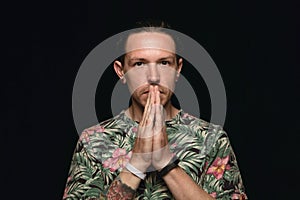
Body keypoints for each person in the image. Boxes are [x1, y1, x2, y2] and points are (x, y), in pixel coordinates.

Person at [63, 20, 248, 200]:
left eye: (164, 63)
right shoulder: (93, 141)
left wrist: (166, 164)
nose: (153, 77)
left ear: (178, 69)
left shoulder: (212, 138)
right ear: (121, 71)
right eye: (139, 64)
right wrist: (137, 165)